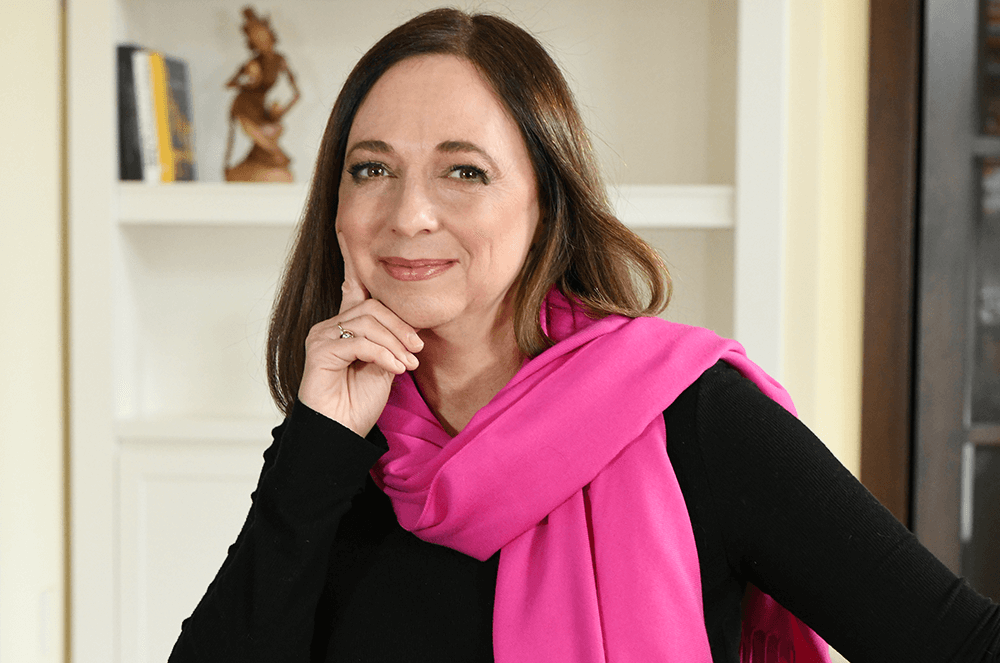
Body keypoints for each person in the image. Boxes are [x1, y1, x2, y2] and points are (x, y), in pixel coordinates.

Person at [170, 8, 1000, 663]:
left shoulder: (692, 416)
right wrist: (316, 443)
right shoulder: (337, 449)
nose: (409, 213)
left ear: (546, 202)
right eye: (372, 168)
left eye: (464, 170)